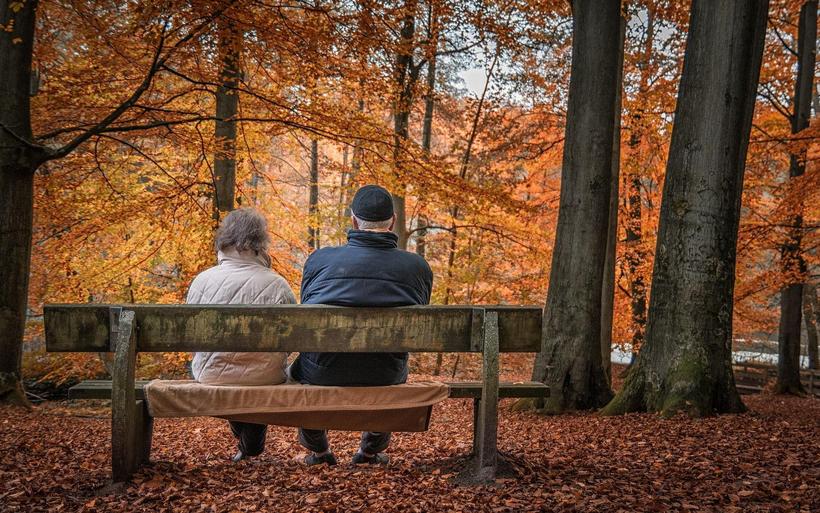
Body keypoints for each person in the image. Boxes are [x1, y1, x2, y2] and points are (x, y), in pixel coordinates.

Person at [289, 184, 433, 466]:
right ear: (392, 222)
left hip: (322, 372)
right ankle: (369, 452)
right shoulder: (417, 267)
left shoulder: (319, 260)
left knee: (305, 365)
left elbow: (307, 310)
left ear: (353, 221)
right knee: (389, 363)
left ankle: (319, 452)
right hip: (385, 373)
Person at [188, 208, 297, 462]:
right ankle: (251, 446)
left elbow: (194, 338)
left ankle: (249, 446)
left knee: (230, 375)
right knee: (257, 374)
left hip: (211, 373)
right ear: (261, 243)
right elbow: (292, 339)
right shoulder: (277, 284)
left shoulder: (201, 281)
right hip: (266, 375)